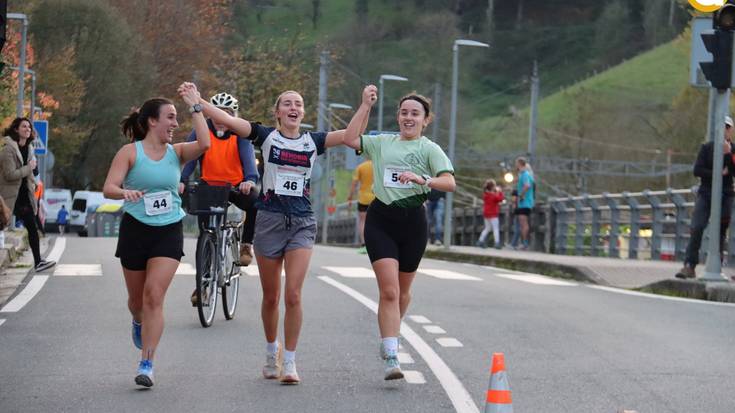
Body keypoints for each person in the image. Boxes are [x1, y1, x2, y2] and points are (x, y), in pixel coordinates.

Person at [179, 82, 357, 385]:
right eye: (287, 103)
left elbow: (351, 137)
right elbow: (230, 121)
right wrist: (198, 103)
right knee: (272, 297)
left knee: (294, 295)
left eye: (298, 104)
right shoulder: (266, 136)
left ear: (303, 112)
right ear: (277, 112)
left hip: (301, 221)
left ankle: (290, 362)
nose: (293, 108)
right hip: (270, 220)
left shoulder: (313, 141)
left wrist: (365, 106)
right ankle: (270, 351)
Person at [343, 87, 456, 380]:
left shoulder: (429, 148)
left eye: (415, 114)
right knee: (389, 291)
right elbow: (349, 138)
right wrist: (365, 106)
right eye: (404, 112)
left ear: (425, 120)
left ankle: (391, 330)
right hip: (381, 219)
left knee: (403, 292)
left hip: (414, 223)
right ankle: (391, 353)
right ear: (398, 117)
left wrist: (424, 179)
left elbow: (450, 183)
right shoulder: (382, 143)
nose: (408, 117)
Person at [102, 94, 210, 388]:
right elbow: (108, 187)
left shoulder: (177, 152)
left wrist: (196, 106)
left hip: (168, 230)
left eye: (177, 117)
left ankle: (147, 364)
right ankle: (138, 321)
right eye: (170, 117)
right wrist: (124, 193)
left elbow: (205, 143)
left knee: (153, 296)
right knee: (137, 302)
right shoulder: (130, 153)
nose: (175, 124)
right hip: (135, 229)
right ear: (152, 121)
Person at [180, 92, 260, 306]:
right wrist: (182, 179)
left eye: (227, 113)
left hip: (235, 187)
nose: (221, 118)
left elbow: (249, 162)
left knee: (256, 203)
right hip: (209, 186)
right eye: (217, 113)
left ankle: (246, 244)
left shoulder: (239, 134)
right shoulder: (201, 130)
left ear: (233, 114)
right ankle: (202, 284)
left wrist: (249, 180)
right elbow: (189, 159)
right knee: (205, 235)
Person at [676, 116, 735, 279]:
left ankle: (717, 265)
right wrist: (717, 173)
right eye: (721, 127)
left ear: (730, 130)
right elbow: (698, 170)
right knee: (697, 227)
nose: (724, 130)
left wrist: (728, 154)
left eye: (727, 127)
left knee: (721, 231)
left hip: (726, 194)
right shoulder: (707, 148)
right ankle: (689, 265)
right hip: (706, 193)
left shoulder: (733, 149)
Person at [0, 118, 55, 272]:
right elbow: (10, 175)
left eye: (29, 127)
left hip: (24, 195)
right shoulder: (8, 150)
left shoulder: (29, 148)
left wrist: (34, 177)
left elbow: (31, 171)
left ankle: (38, 262)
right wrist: (28, 167)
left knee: (32, 226)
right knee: (1, 225)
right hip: (9, 196)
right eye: (24, 126)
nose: (28, 129)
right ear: (16, 129)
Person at [346, 159, 374, 253]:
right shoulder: (379, 165)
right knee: (377, 222)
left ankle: (364, 243)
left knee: (363, 221)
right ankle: (375, 243)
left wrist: (350, 196)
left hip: (363, 198)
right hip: (377, 197)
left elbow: (354, 183)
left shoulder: (361, 167)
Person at [476, 179, 504, 249]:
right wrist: (500, 192)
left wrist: (496, 192)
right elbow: (500, 199)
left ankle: (480, 240)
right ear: (492, 187)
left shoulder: (486, 195)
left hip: (486, 214)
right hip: (493, 214)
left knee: (487, 228)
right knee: (495, 228)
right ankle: (497, 243)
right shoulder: (493, 196)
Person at [515, 157, 535, 250]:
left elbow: (527, 185)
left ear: (519, 164)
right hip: (523, 203)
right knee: (522, 223)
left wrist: (521, 195)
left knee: (524, 223)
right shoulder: (523, 175)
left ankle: (525, 243)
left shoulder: (525, 174)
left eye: (516, 163)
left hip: (525, 202)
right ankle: (523, 243)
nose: (516, 165)